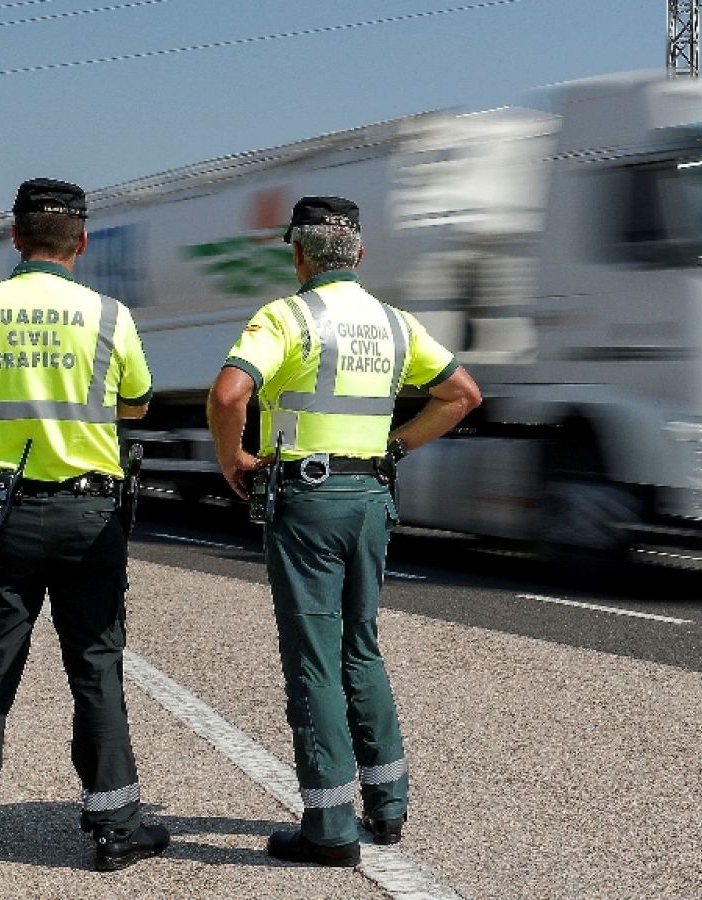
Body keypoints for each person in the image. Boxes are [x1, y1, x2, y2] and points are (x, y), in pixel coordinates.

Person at [208, 196, 481, 867]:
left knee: (314, 656)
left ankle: (328, 828)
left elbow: (227, 394)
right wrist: (397, 447)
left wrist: (233, 460)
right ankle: (387, 809)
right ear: (359, 254)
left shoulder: (286, 316)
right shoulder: (395, 325)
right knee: (361, 646)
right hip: (371, 498)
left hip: (307, 500)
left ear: (297, 253)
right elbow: (463, 395)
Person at [0, 178, 168, 882]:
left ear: (15, 237)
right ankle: (115, 832)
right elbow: (139, 405)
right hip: (91, 518)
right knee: (96, 668)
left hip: (2, 518)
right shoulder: (110, 315)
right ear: (82, 243)